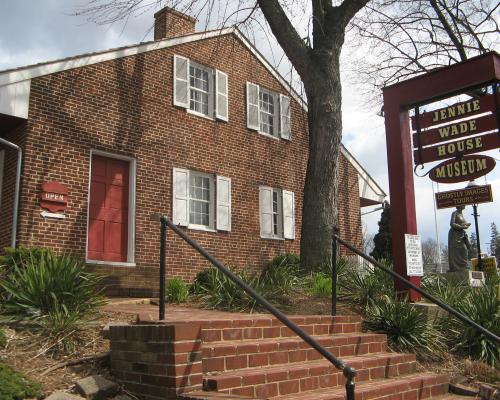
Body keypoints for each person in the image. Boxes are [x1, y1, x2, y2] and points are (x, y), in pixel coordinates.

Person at [448, 205, 471, 271]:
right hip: (454, 235)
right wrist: (462, 227)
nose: (465, 205)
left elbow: (462, 223)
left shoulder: (461, 214)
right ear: (459, 205)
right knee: (457, 251)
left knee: (464, 249)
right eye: (463, 204)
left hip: (461, 234)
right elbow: (452, 224)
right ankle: (456, 267)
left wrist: (466, 224)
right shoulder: (455, 213)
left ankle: (464, 266)